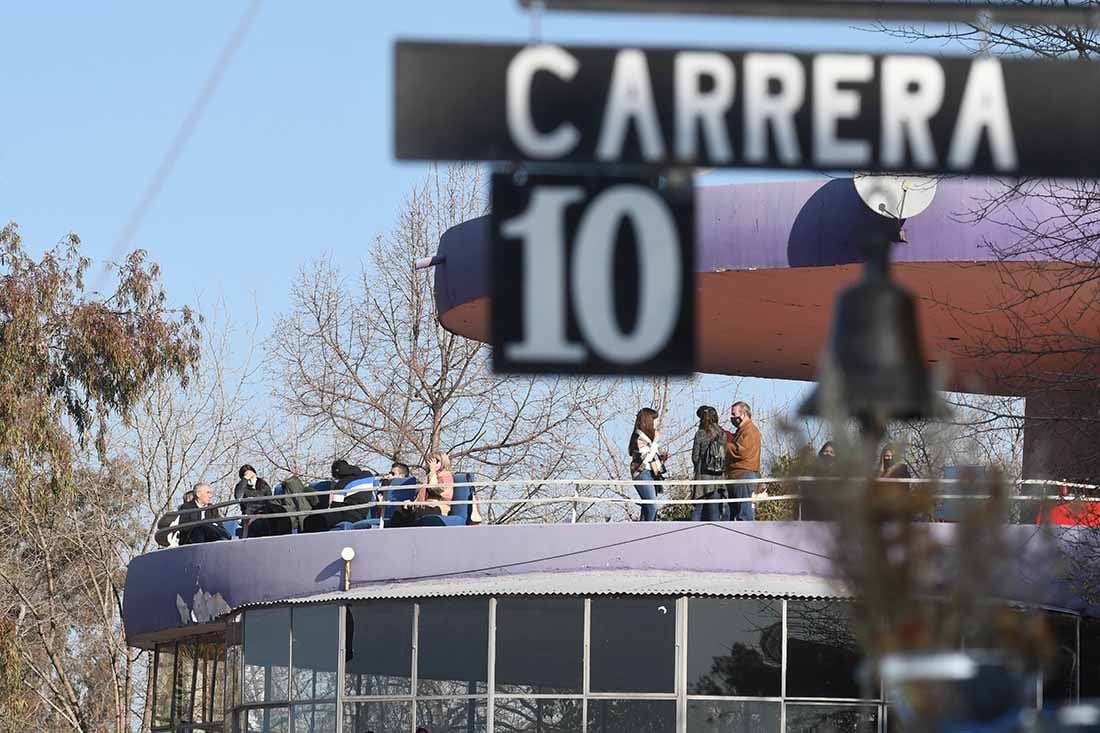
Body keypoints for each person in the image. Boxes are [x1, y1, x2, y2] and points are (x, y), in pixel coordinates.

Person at [725, 401, 762, 521]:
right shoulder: (741, 431)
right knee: (732, 511)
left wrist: (726, 446)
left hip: (743, 474)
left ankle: (747, 537)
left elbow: (743, 452)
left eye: (734, 414)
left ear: (744, 413)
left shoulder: (750, 431)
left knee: (744, 512)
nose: (732, 418)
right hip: (736, 475)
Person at [629, 407, 665, 522]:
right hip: (642, 473)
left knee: (647, 506)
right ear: (648, 421)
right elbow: (645, 460)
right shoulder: (639, 437)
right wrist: (655, 442)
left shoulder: (648, 438)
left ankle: (643, 529)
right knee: (652, 505)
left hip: (651, 473)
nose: (657, 422)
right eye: (655, 419)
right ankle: (650, 529)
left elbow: (652, 456)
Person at [691, 406, 726, 521]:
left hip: (702, 475)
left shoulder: (700, 433)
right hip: (718, 477)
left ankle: (693, 536)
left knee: (698, 510)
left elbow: (695, 457)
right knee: (714, 511)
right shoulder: (722, 434)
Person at [235, 464, 278, 537]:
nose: (251, 478)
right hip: (250, 516)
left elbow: (270, 500)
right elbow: (238, 496)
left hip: (265, 514)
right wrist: (245, 480)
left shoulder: (263, 484)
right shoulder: (241, 487)